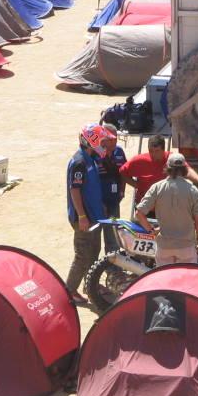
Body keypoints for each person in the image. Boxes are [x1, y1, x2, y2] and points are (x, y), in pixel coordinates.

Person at [65, 123, 114, 304]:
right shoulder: (79, 162)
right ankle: (69, 290)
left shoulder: (91, 158)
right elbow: (75, 190)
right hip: (84, 219)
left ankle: (90, 285)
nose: (104, 144)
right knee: (83, 255)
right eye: (101, 140)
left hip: (95, 216)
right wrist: (82, 216)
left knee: (94, 251)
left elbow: (91, 188)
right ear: (90, 141)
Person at [135, 153, 198, 265]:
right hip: (186, 247)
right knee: (186, 281)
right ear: (184, 169)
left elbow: (139, 213)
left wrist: (151, 231)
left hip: (164, 247)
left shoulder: (157, 187)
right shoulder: (193, 191)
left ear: (167, 168)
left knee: (165, 280)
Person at [119, 134, 198, 205]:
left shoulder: (172, 159)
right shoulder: (139, 160)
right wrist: (137, 185)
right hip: (145, 207)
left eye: (157, 151)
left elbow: (187, 170)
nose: (153, 154)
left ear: (163, 150)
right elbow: (122, 172)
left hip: (167, 207)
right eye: (151, 151)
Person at [95, 122, 126, 252]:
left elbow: (124, 172)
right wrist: (98, 202)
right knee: (94, 236)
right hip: (97, 202)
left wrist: (122, 191)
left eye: (115, 139)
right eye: (110, 139)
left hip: (114, 201)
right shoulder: (95, 153)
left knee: (113, 233)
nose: (114, 142)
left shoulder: (119, 152)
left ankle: (113, 268)